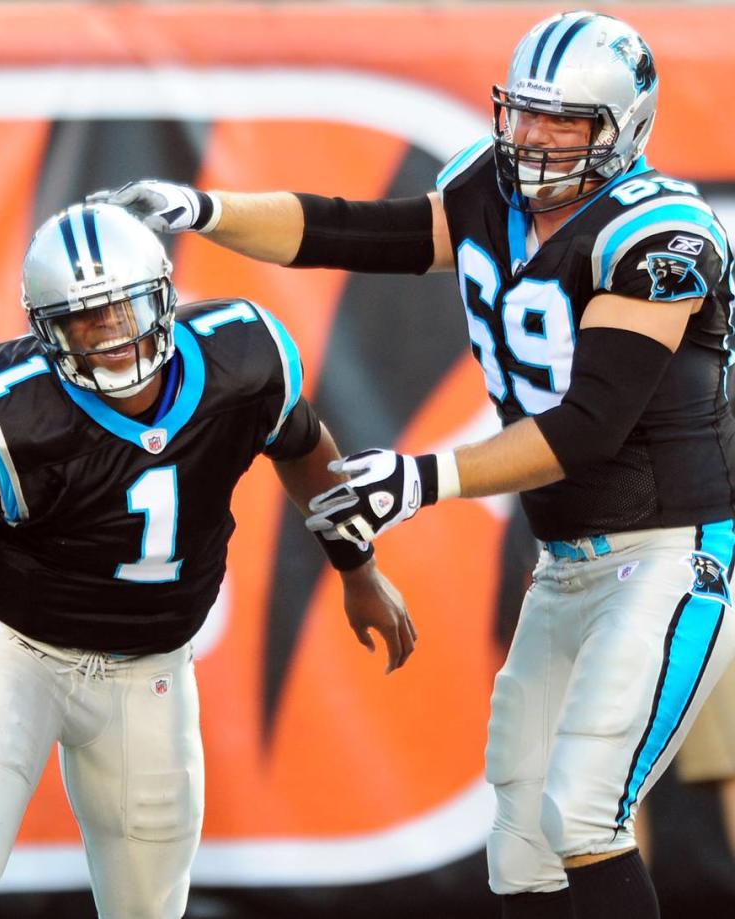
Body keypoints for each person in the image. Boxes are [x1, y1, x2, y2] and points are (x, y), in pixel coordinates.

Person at [93, 11, 735, 919]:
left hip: (669, 549)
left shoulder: (660, 235)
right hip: (567, 558)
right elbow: (349, 231)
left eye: (564, 122)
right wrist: (208, 211)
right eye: (524, 113)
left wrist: (422, 477)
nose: (533, 139)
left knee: (585, 807)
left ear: (623, 128)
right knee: (520, 839)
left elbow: (588, 426)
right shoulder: (486, 191)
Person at [0, 202, 414, 919]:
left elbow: (304, 445)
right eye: (81, 320)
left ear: (162, 293)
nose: (109, 336)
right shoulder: (9, 415)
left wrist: (357, 566)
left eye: (121, 308)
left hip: (151, 666)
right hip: (22, 652)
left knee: (148, 908)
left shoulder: (240, 363)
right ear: (44, 332)